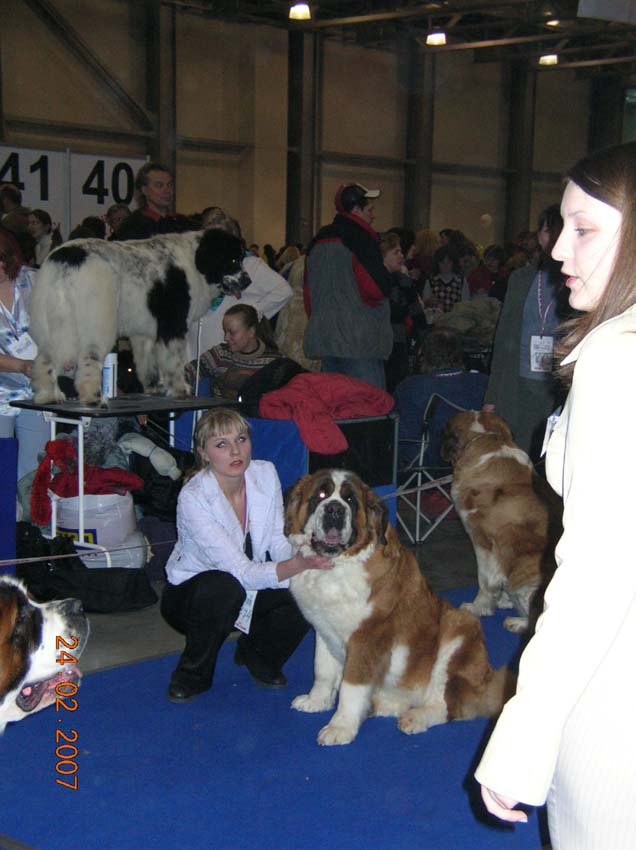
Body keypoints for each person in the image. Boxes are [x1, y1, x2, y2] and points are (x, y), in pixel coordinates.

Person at [476, 140, 636, 849]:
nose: (559, 250)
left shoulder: (618, 357)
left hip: (615, 686)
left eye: (585, 229)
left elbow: (599, 570)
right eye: (561, 226)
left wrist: (524, 735)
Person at [161, 407, 332, 702]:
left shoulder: (265, 473)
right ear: (203, 454)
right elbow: (240, 572)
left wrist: (305, 558)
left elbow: (277, 541)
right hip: (193, 596)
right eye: (221, 444)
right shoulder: (193, 497)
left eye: (241, 439)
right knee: (223, 588)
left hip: (247, 584)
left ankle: (260, 657)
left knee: (307, 585)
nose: (235, 450)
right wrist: (295, 565)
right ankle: (191, 675)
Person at [483, 204, 569, 460]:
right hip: (517, 382)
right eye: (547, 230)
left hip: (557, 386)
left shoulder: (578, 280)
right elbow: (503, 338)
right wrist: (492, 395)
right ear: (539, 236)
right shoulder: (520, 278)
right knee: (514, 457)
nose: (551, 237)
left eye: (557, 230)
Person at [303, 182, 392, 390]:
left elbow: (308, 295)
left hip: (324, 338)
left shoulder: (317, 241)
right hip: (358, 341)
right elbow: (376, 289)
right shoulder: (360, 239)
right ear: (356, 210)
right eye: (369, 210)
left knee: (335, 403)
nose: (373, 216)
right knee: (370, 403)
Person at [186, 208, 292, 357]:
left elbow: (283, 291)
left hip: (229, 351)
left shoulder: (250, 265)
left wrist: (250, 314)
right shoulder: (198, 266)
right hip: (194, 351)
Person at [393, 327, 488, 468]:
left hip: (424, 464)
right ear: (460, 354)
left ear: (423, 354)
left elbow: (401, 435)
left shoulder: (410, 387)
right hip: (476, 461)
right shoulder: (483, 382)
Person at [0, 230, 49, 481]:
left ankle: (31, 506)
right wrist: (21, 366)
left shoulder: (36, 280)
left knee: (35, 467)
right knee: (2, 464)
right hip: (2, 387)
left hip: (38, 387)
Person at [187, 303, 280, 398]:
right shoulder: (220, 353)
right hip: (218, 407)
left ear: (251, 332)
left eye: (232, 332)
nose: (226, 338)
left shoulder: (274, 362)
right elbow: (188, 372)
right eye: (225, 331)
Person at [112, 161, 191, 241]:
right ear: (144, 190)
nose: (167, 190)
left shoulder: (184, 223)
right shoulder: (132, 226)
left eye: (169, 185)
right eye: (159, 185)